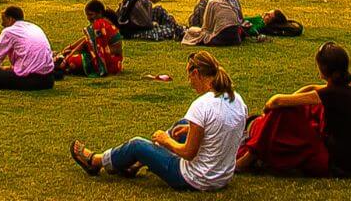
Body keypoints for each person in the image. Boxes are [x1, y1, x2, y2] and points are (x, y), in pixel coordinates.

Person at [71, 51, 248, 191]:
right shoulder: (237, 99)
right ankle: (135, 164)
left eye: (189, 77)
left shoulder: (202, 105)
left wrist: (166, 140)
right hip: (222, 176)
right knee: (182, 125)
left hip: (196, 178)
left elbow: (188, 153)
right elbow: (225, 126)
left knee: (136, 144)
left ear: (196, 73)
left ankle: (95, 161)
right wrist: (189, 130)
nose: (190, 83)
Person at [237, 42, 351, 179]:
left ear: (323, 69)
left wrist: (269, 107)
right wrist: (293, 97)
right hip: (347, 164)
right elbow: (312, 88)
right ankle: (259, 145)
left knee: (283, 112)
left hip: (334, 165)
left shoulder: (333, 94)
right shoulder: (348, 86)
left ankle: (249, 157)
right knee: (303, 109)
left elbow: (277, 101)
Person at [0, 5, 56, 90]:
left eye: (4, 20)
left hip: (29, 80)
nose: (2, 24)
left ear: (10, 19)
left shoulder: (9, 31)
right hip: (48, 79)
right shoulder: (34, 27)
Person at [57, 0, 124, 77]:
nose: (88, 18)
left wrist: (68, 55)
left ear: (99, 13)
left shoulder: (102, 24)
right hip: (112, 60)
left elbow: (86, 43)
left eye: (90, 14)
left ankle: (66, 67)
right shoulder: (101, 24)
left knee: (73, 60)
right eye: (87, 15)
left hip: (110, 61)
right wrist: (70, 48)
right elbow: (86, 40)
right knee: (72, 58)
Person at [118, 0, 184, 41]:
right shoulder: (146, 3)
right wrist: (154, 24)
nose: (160, 0)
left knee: (159, 10)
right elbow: (148, 26)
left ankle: (178, 28)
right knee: (170, 30)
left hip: (130, 28)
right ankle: (180, 30)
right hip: (134, 32)